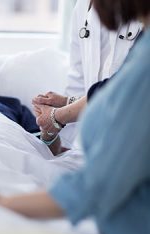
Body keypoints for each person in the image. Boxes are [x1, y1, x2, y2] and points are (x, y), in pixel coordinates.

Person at [0, 0, 150, 234]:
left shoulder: (8, 106)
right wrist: (58, 120)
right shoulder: (124, 41)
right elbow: (60, 129)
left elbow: (96, 184)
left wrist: (1, 202)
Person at [32, 0, 142, 144]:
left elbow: (124, 84)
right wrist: (64, 109)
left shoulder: (143, 12)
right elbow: (78, 83)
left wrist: (58, 116)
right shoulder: (82, 7)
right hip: (92, 141)